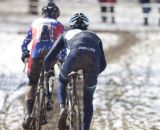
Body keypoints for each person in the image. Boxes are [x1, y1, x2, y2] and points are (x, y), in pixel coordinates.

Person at [44, 13, 107, 130]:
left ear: (71, 25)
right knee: (88, 100)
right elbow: (103, 64)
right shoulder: (95, 37)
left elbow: (49, 56)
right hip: (93, 60)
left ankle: (63, 109)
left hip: (74, 56)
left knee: (62, 82)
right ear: (86, 26)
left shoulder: (66, 34)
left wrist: (47, 69)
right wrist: (92, 74)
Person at [21, 1, 66, 129]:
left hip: (35, 55)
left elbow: (25, 42)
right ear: (56, 14)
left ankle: (29, 114)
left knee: (32, 83)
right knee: (49, 70)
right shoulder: (59, 25)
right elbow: (62, 44)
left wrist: (25, 53)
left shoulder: (35, 23)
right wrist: (62, 59)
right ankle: (48, 97)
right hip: (51, 55)